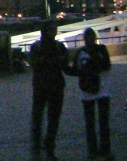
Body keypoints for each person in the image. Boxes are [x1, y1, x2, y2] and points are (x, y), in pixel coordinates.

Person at [68, 28, 113, 161]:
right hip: (96, 89)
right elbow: (106, 66)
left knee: (95, 122)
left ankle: (96, 151)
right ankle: (101, 150)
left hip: (94, 90)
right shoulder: (95, 50)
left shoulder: (83, 52)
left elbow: (76, 70)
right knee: (97, 122)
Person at [30, 20, 69, 160]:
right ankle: (39, 144)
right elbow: (35, 63)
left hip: (50, 85)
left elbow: (63, 63)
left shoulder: (53, 47)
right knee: (39, 116)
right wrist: (55, 62)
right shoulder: (41, 47)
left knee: (52, 118)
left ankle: (47, 144)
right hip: (45, 86)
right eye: (51, 29)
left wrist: (47, 61)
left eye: (55, 29)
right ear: (45, 30)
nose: (54, 32)